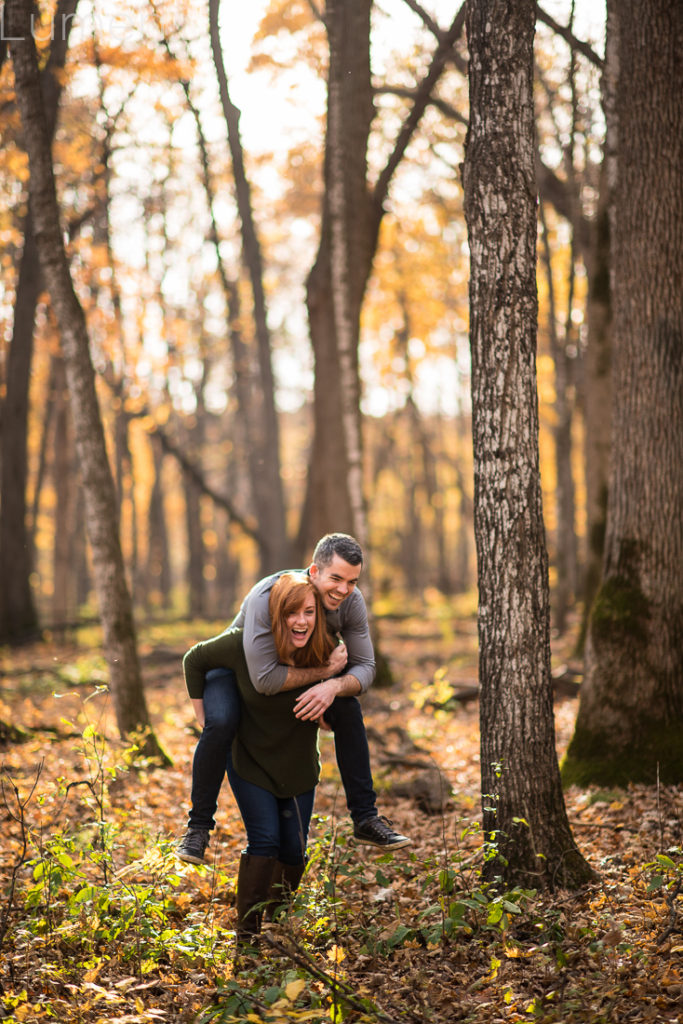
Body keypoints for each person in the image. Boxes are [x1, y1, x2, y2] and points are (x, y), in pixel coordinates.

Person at [177, 532, 411, 865]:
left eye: (352, 581)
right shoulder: (267, 595)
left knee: (347, 706)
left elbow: (366, 667)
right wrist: (323, 675)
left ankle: (365, 817)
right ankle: (198, 828)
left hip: (296, 667)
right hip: (235, 669)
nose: (344, 590)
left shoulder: (350, 602)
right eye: (336, 579)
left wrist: (332, 687)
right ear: (314, 572)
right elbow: (265, 680)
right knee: (223, 721)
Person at [182, 573, 335, 943]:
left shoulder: (325, 650)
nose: (301, 621)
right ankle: (247, 937)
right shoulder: (243, 645)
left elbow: (334, 716)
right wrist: (207, 718)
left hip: (297, 761)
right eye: (291, 613)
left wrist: (330, 693)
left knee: (295, 849)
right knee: (264, 841)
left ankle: (277, 924)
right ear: (273, 616)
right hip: (249, 758)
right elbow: (194, 659)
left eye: (309, 612)